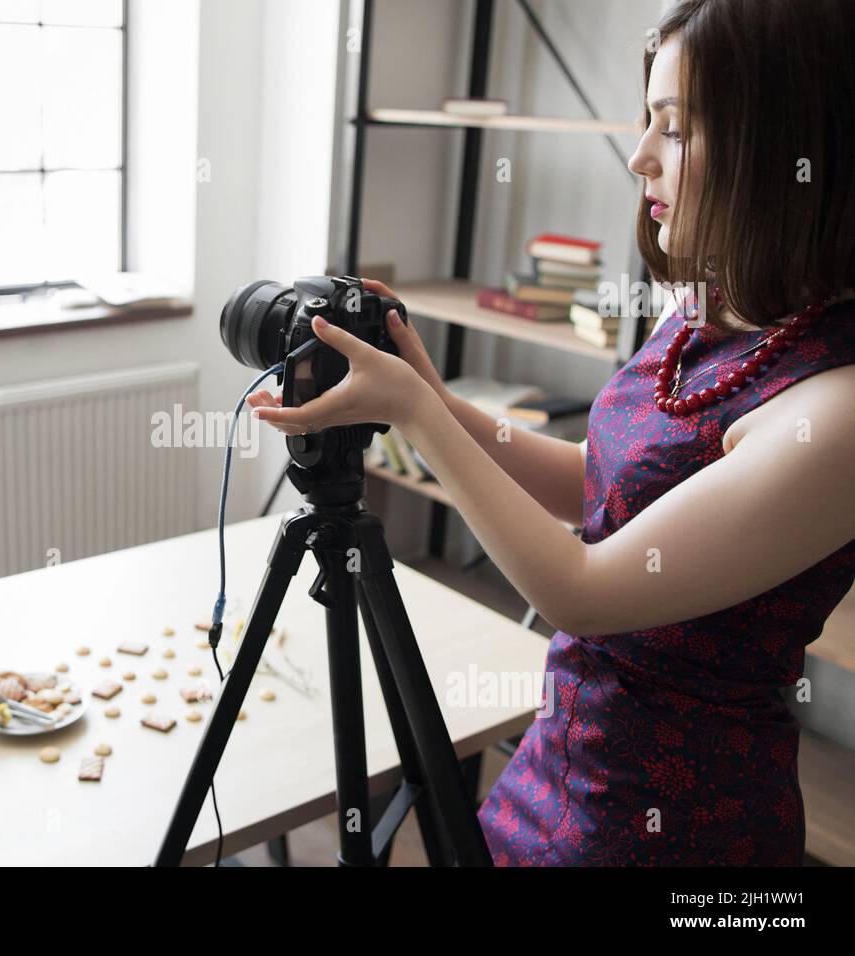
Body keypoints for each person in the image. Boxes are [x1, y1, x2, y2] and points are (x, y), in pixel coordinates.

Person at [248, 0, 855, 865]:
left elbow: (585, 588)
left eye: (676, 130)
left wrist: (420, 416)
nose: (641, 155)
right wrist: (433, 396)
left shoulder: (834, 413)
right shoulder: (704, 314)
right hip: (561, 757)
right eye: (648, 119)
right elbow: (593, 482)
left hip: (679, 827)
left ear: (790, 145)